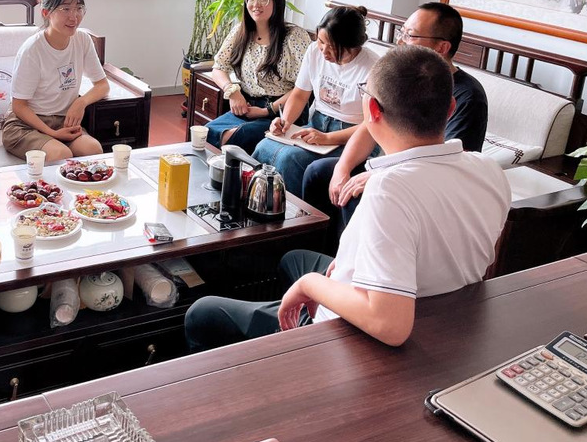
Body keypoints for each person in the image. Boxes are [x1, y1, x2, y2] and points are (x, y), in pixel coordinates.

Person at [185, 46, 510, 351]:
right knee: (293, 259)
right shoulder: (488, 170)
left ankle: (292, 347)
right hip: (438, 311)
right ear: (450, 108)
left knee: (203, 311)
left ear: (372, 110)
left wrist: (310, 286)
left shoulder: (389, 190)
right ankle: (280, 335)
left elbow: (389, 325)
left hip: (350, 336)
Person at [301, 2, 489, 251]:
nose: (400, 41)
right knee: (319, 172)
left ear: (442, 47)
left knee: (357, 194)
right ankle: (316, 251)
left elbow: (447, 161)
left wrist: (378, 175)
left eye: (410, 35)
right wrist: (342, 169)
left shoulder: (467, 96)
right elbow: (369, 126)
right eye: (402, 31)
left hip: (420, 180)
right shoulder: (403, 77)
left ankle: (349, 262)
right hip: (386, 165)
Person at [251, 6, 380, 197]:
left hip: (353, 136)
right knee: (264, 147)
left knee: (289, 159)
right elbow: (300, 94)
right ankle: (256, 200)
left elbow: (370, 127)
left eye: (332, 46)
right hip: (318, 124)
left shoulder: (373, 68)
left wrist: (328, 138)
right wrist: (285, 122)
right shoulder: (314, 51)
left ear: (352, 45)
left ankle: (296, 213)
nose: (324, 51)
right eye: (320, 41)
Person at [2, 0, 109, 162]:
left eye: (78, 8)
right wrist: (52, 133)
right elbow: (19, 106)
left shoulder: (82, 40)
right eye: (65, 9)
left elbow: (102, 85)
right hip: (25, 125)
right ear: (46, 13)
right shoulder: (32, 49)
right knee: (61, 154)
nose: (74, 17)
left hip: (62, 121)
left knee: (93, 150)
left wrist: (80, 102)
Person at [204, 0, 311, 154]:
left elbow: (304, 87)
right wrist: (232, 91)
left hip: (282, 113)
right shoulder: (240, 31)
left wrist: (266, 111)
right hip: (247, 107)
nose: (256, 5)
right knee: (206, 133)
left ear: (277, 2)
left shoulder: (294, 37)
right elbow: (219, 67)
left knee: (234, 138)